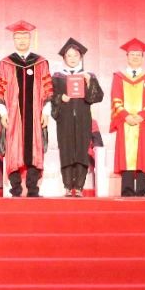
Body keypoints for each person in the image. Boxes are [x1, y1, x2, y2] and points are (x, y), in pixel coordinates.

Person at [0, 21, 52, 198]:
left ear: (30, 39)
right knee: (14, 149)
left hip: (35, 114)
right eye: (18, 37)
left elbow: (47, 87)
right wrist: (3, 111)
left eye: (25, 37)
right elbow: (0, 88)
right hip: (13, 115)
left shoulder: (41, 62)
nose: (21, 40)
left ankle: (33, 189)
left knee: (34, 148)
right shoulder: (6, 63)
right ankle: (16, 189)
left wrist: (46, 110)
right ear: (13, 39)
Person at [50, 38, 104, 197]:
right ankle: (67, 186)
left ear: (80, 57)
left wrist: (89, 83)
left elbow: (97, 97)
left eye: (75, 55)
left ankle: (79, 187)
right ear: (64, 58)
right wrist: (60, 98)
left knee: (81, 150)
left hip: (83, 119)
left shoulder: (88, 75)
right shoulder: (57, 77)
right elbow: (50, 96)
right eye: (69, 55)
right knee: (66, 150)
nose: (72, 58)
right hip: (65, 120)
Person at [110, 39, 145, 197]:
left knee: (143, 155)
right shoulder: (119, 77)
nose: (135, 57)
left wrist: (141, 116)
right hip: (125, 122)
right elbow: (115, 98)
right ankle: (127, 189)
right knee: (126, 155)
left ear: (143, 57)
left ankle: (142, 189)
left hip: (143, 122)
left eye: (138, 55)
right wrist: (125, 116)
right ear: (127, 56)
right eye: (132, 54)